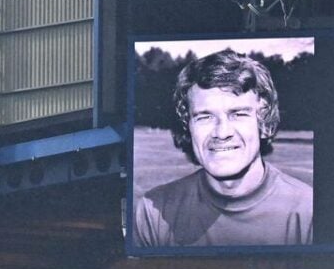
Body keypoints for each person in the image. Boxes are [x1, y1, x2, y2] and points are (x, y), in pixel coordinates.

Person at [134, 48, 313, 248]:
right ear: (188, 126)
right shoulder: (154, 211)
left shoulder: (308, 211)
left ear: (263, 122)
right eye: (205, 117)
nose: (222, 132)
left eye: (238, 114)